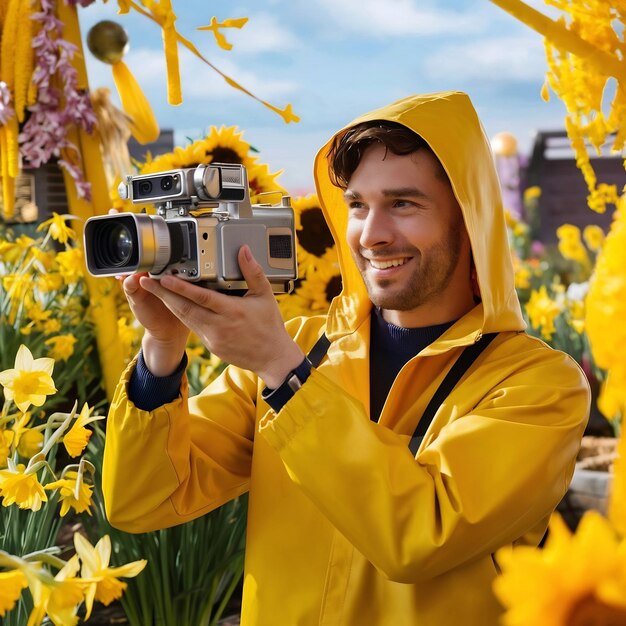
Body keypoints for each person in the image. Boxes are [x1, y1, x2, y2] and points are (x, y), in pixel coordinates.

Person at [102, 91, 590, 626]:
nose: (372, 235)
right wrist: (163, 347)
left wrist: (284, 376)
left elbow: (419, 536)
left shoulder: (537, 385)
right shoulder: (301, 346)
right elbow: (141, 500)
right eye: (358, 205)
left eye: (403, 204)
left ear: (469, 219)